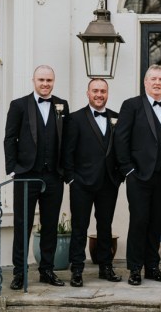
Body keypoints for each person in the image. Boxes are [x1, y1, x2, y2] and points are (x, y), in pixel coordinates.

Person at [4, 65, 69, 290]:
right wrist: (12, 169)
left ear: (54, 81)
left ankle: (47, 271)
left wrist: (65, 171)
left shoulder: (62, 105)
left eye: (49, 80)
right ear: (33, 80)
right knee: (23, 224)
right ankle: (19, 273)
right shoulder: (19, 105)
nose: (45, 84)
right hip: (26, 175)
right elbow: (9, 138)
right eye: (41, 79)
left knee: (50, 225)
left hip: (53, 176)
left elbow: (67, 140)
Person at [115, 64, 161, 286]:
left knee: (156, 223)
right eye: (153, 79)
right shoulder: (131, 106)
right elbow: (121, 139)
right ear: (145, 82)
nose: (157, 82)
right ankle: (134, 269)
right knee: (139, 221)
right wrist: (128, 170)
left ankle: (152, 267)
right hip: (139, 176)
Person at [62, 78, 123, 287]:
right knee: (80, 226)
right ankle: (77, 270)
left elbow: (121, 150)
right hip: (82, 183)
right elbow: (67, 151)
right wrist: (70, 178)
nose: (99, 94)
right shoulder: (75, 118)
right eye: (95, 91)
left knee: (105, 226)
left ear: (107, 94)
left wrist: (119, 177)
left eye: (103, 91)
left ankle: (106, 267)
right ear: (87, 93)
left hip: (108, 183)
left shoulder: (116, 117)